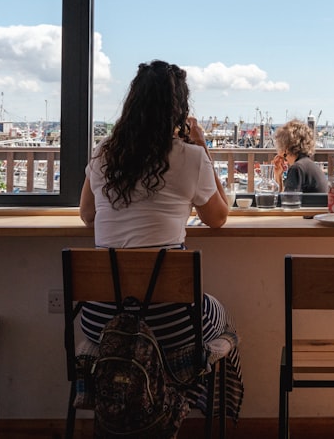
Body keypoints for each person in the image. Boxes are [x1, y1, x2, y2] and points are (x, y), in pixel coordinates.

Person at [78, 59, 243, 420]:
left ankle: (139, 409)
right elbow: (217, 218)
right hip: (173, 323)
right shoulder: (190, 157)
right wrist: (204, 148)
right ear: (180, 110)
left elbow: (87, 214)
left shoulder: (104, 151)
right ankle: (189, 407)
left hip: (100, 318)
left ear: (131, 104)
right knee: (224, 320)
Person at [271, 118, 329, 193]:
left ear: (285, 147)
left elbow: (288, 202)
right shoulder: (308, 166)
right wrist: (278, 177)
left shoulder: (297, 169)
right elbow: (287, 199)